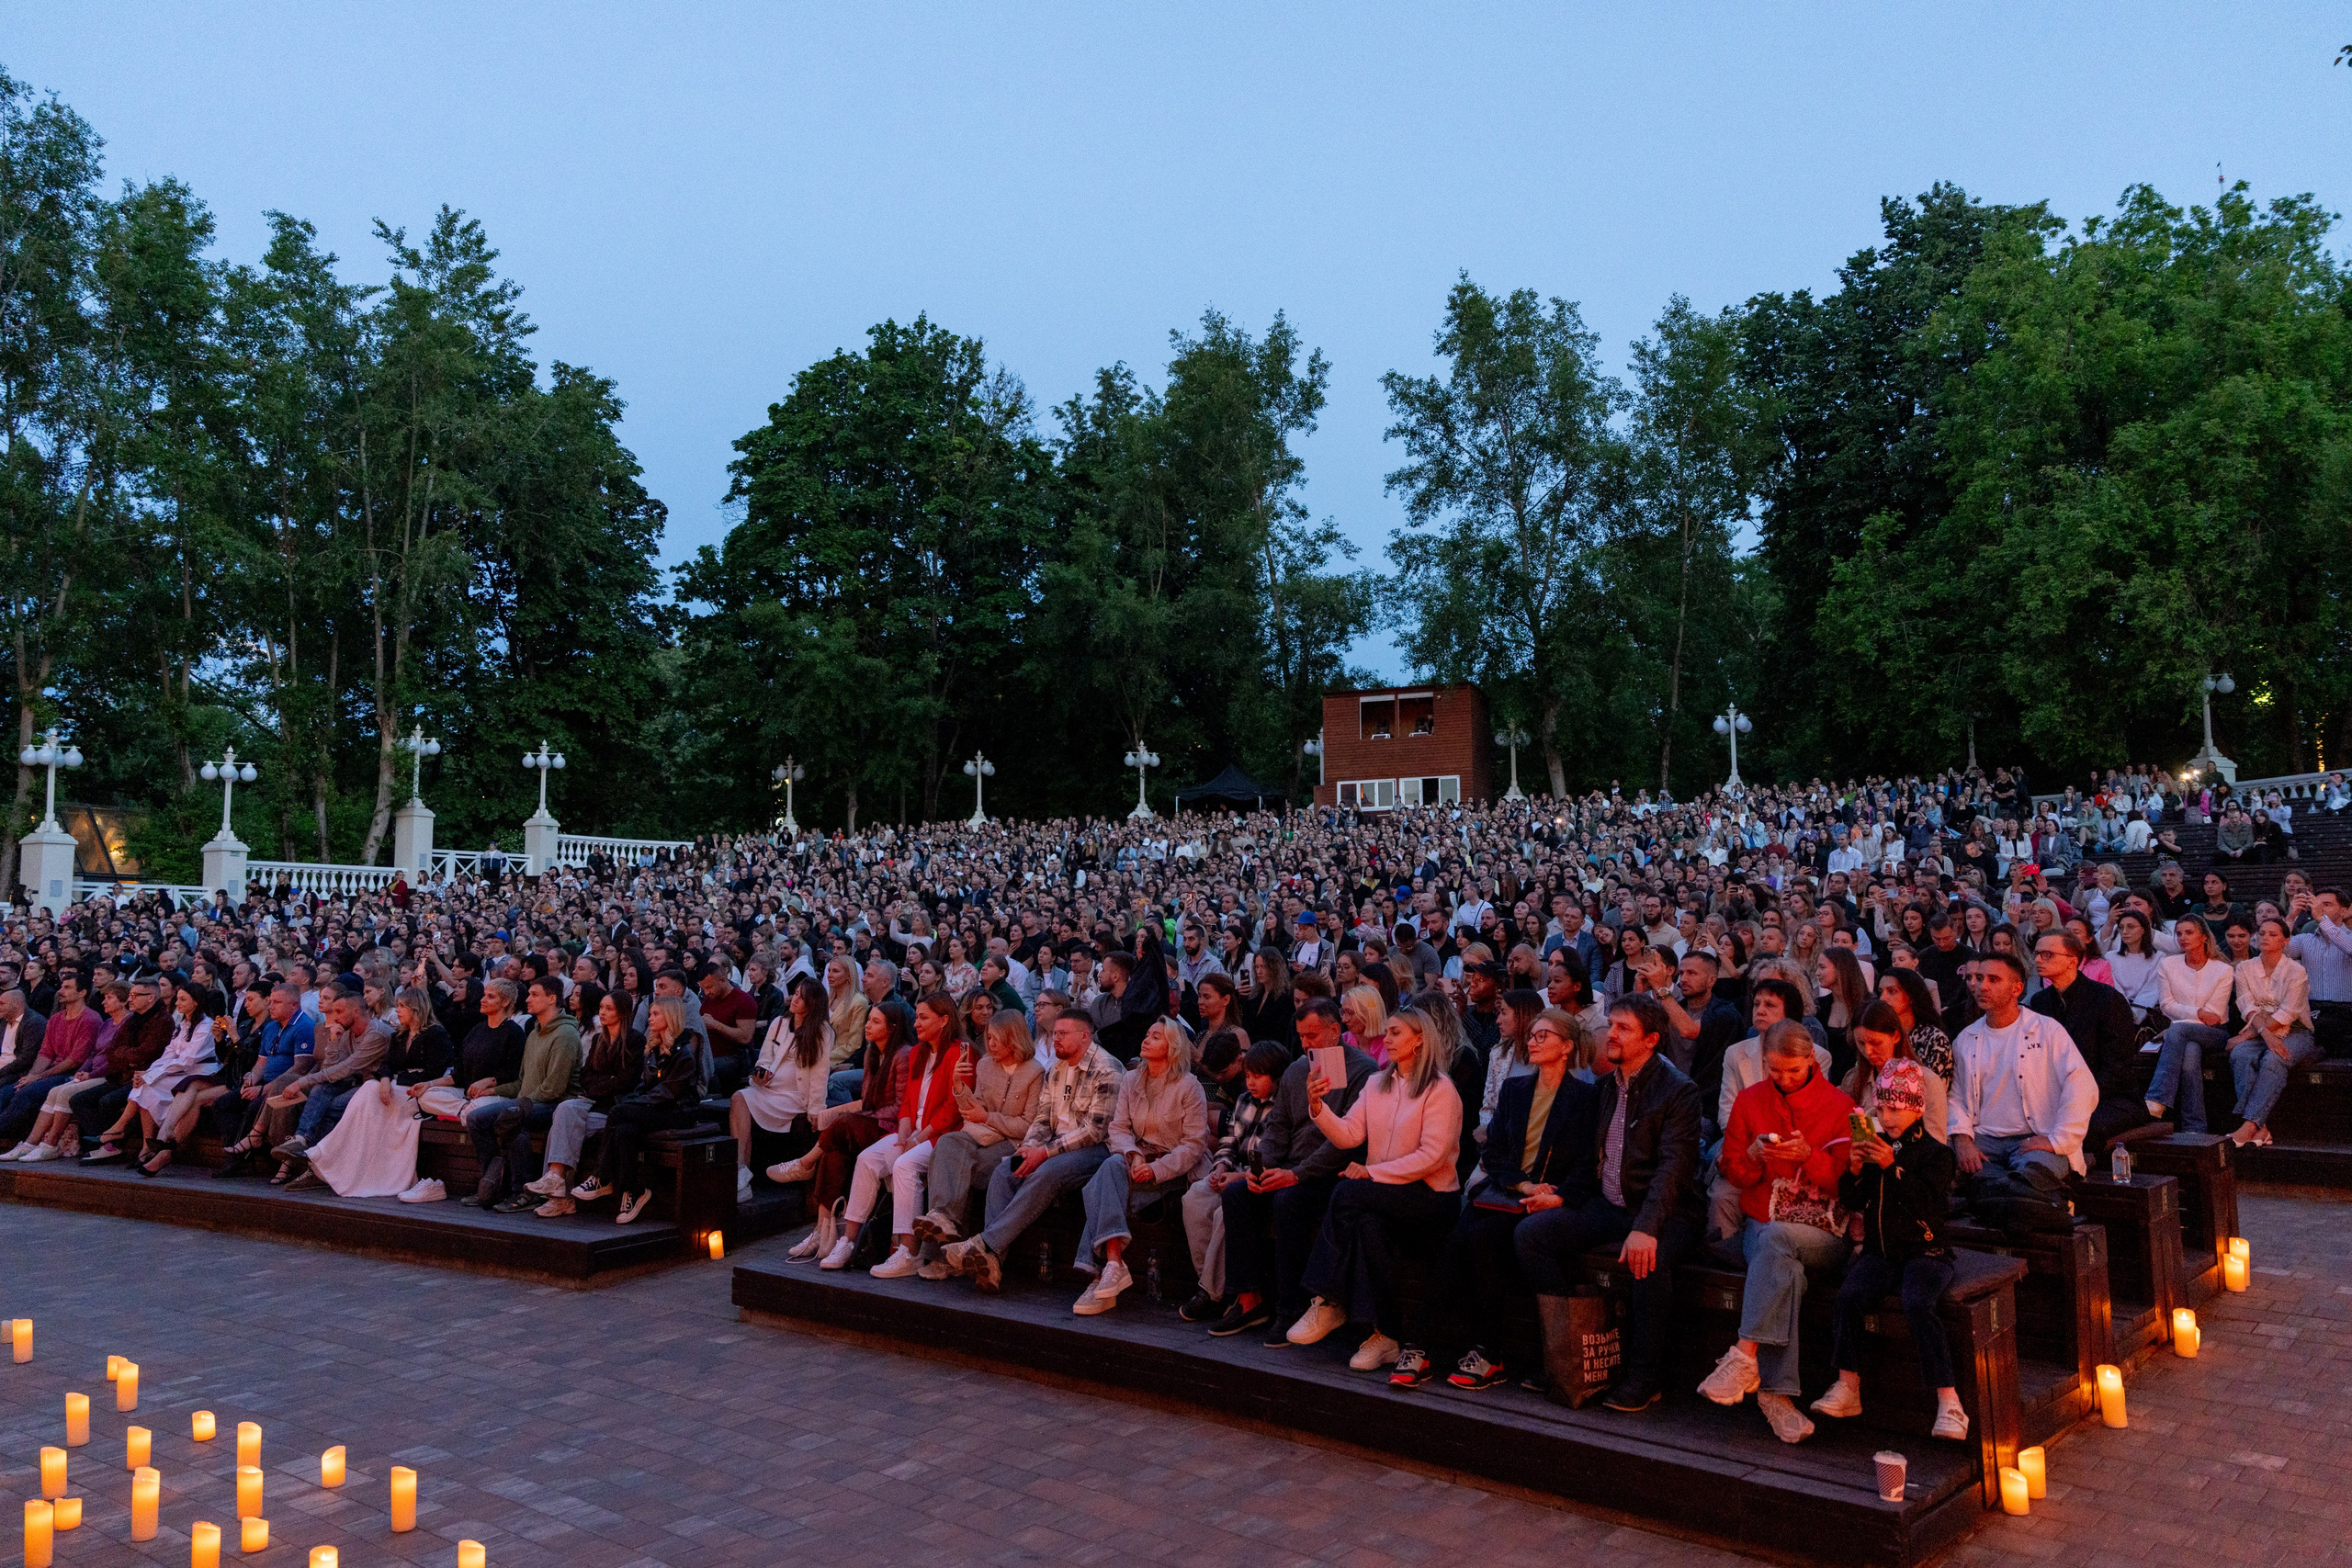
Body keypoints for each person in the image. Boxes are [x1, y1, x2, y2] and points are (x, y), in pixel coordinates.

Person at [1516, 992, 1703, 1413]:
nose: (1611, 1035)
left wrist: (1646, 1228)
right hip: (1609, 1206)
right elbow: (1589, 1161)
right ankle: (1567, 1350)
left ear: (1652, 1040)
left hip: (1667, 1212)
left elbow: (1673, 1170)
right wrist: (1561, 1196)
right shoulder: (1604, 1088)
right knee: (1532, 1235)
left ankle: (1645, 1376)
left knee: (1646, 1260)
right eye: (1611, 1026)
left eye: (1623, 1029)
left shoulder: (1679, 1092)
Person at [1393, 1007, 1598, 1391]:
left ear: (1567, 1047)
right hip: (1508, 1192)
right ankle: (1420, 1346)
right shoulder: (1516, 1089)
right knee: (1460, 1237)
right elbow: (1494, 1153)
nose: (1533, 1042)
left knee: (1480, 1239)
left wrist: (1557, 1195)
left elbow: (1588, 1164)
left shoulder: (1586, 1097)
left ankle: (1486, 1351)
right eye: (1532, 1035)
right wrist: (1522, 1185)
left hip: (1550, 1201)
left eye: (1543, 1036)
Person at [1696, 1020, 1856, 1443]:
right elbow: (1734, 1170)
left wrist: (1811, 1158)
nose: (1784, 1079)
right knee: (1785, 1268)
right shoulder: (1749, 1101)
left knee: (1776, 1240)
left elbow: (1853, 1184)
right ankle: (1775, 1397)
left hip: (1821, 1230)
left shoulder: (1841, 1105)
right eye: (1775, 1070)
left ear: (1812, 1062)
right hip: (1763, 1222)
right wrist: (1750, 1155)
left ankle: (1744, 1354)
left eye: (1793, 1071)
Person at [1283, 1007, 1464, 1373]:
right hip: (1386, 1194)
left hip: (1432, 1196)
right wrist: (1317, 1107)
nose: (1388, 1039)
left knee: (1347, 1193)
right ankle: (1387, 1335)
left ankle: (1328, 1298)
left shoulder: (1441, 1089)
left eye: (1397, 1033)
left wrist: (1372, 1171)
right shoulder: (1376, 1083)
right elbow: (1350, 1134)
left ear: (1420, 1039)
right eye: (1389, 1033)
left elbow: (1432, 1156)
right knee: (1368, 1226)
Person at [1815, 1056, 1969, 1440]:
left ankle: (1949, 1400)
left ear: (1916, 1108)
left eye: (1896, 1106)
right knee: (1848, 1297)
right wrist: (1853, 1170)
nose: (1887, 1115)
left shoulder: (1937, 1154)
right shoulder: (1876, 1146)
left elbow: (1928, 1205)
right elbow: (1853, 1199)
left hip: (1927, 1252)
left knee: (1918, 1303)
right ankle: (1848, 1385)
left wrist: (1892, 1167)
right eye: (1882, 1106)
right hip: (1881, 1252)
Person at [1205, 997, 1375, 1343]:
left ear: (1335, 1031)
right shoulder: (1298, 1069)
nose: (1306, 1043)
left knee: (1288, 1202)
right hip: (1288, 1168)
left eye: (1313, 1035)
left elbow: (1348, 1142)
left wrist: (1296, 1175)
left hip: (1330, 1173)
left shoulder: (1364, 1070)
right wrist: (1259, 1167)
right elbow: (1277, 1127)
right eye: (1301, 1036)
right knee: (1239, 1192)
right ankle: (1249, 1299)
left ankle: (1291, 1307)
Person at [942, 1009, 1123, 1292]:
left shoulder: (1107, 1069)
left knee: (1046, 1171)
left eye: (1063, 1034)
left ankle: (986, 1243)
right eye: (1055, 1034)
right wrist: (1028, 1148)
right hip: (1054, 1145)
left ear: (1084, 1036)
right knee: (1005, 1171)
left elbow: (1094, 1132)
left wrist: (1045, 1153)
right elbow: (1042, 1119)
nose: (1056, 1039)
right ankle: (992, 1265)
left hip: (1096, 1151)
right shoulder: (1057, 1069)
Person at [1070, 1017, 1209, 1314]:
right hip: (1138, 1158)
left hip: (1174, 1167)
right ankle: (1112, 1264)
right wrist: (1133, 1155)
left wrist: (1156, 1169)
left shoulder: (1189, 1086)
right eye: (1147, 1034)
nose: (1146, 1039)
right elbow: (1118, 1128)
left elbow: (1194, 1146)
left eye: (1156, 1037)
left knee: (1101, 1183)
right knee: (1110, 1167)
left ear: (1172, 1047)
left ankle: (1098, 1275)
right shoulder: (1132, 1080)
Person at [825, 991, 968, 1275]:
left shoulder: (960, 1051)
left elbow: (953, 1110)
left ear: (943, 1020)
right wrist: (904, 1135)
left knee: (904, 1165)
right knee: (867, 1159)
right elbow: (906, 1103)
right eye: (916, 1016)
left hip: (943, 1136)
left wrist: (915, 1139)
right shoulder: (917, 1052)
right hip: (913, 1131)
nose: (916, 1023)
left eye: (924, 1017)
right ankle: (847, 1241)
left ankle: (908, 1251)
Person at [910, 1010, 1046, 1278]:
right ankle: (942, 1218)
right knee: (947, 1144)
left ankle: (945, 1257)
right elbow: (975, 1109)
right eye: (988, 1037)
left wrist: (988, 1118)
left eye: (996, 1038)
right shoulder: (985, 1065)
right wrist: (959, 1087)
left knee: (963, 1171)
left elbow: (1028, 1124)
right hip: (979, 1134)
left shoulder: (1035, 1072)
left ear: (1014, 1039)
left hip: (1011, 1142)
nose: (991, 1044)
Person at [776, 998, 910, 1260]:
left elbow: (899, 1107)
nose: (867, 1026)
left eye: (875, 1021)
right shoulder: (873, 1051)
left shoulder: (903, 1055)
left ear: (893, 1027)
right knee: (833, 1152)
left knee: (843, 1124)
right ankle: (821, 1230)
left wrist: (859, 1114)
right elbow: (869, 1099)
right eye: (868, 1020)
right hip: (873, 1121)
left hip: (893, 1129)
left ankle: (804, 1164)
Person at [1948, 952, 2099, 1181]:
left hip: (2034, 1138)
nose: (1982, 986)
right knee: (1947, 1164)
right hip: (1984, 1139)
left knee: (2035, 1174)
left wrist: (2056, 1139)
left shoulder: (2047, 1030)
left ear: (2017, 989)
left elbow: (2081, 1085)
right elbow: (1955, 1096)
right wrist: (1962, 1140)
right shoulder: (1966, 1038)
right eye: (1978, 978)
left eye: (1993, 979)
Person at [1175, 1038, 1285, 1323]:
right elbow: (1229, 1140)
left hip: (1259, 1180)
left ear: (1276, 1076)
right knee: (1195, 1197)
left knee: (1227, 1211)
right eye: (1248, 1075)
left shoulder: (1284, 1104)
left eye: (1258, 1076)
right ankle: (1211, 1285)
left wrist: (1237, 1176)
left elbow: (1274, 1155)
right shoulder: (1244, 1100)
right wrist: (1221, 1165)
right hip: (1233, 1169)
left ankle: (1209, 1294)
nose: (1250, 1082)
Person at [303, 987, 452, 1197]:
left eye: (402, 1006)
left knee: (367, 1093)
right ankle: (328, 1155)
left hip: (421, 1090)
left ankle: (327, 1152)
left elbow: (434, 1070)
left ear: (416, 1009)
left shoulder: (436, 1034)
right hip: (396, 1087)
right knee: (370, 1088)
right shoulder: (400, 1035)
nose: (397, 1010)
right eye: (397, 1006)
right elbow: (388, 1064)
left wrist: (394, 1079)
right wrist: (384, 1079)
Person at [524, 987, 644, 1217]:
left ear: (622, 1012)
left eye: (609, 1008)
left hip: (615, 1108)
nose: (604, 1013)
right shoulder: (599, 1038)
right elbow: (586, 1076)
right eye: (601, 1008)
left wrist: (602, 1084)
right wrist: (604, 1083)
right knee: (565, 1110)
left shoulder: (635, 1040)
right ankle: (555, 1179)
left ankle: (560, 1197)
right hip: (593, 1101)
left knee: (563, 1128)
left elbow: (625, 1082)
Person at [2027, 930, 2147, 1156]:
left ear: (2072, 960)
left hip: (2112, 1098)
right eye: (2036, 954)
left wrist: (2077, 1100)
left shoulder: (2107, 999)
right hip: (2058, 1097)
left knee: (2077, 1128)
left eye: (2047, 954)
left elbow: (2117, 1066)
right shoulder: (2040, 1001)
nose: (2038, 960)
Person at [587, 995, 705, 1224]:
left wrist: (631, 1104)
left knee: (618, 1112)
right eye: (650, 1013)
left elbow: (669, 1092)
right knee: (624, 1131)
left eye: (656, 1014)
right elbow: (645, 1085)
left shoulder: (684, 1052)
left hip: (678, 1113)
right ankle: (632, 1191)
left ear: (670, 1017)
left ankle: (601, 1176)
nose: (649, 1018)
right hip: (656, 1108)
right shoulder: (654, 1047)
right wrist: (633, 1099)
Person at [475, 975, 583, 1210]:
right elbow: (522, 1082)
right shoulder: (534, 1034)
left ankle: (522, 1191)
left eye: (535, 994)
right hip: (530, 1102)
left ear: (552, 999)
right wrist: (494, 1090)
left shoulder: (565, 1034)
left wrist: (519, 1103)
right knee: (477, 1117)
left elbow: (554, 1088)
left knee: (513, 1118)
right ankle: (491, 1185)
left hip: (556, 1105)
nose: (528, 998)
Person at [729, 974, 831, 1193]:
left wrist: (816, 1108)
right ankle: (741, 1170)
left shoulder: (822, 1032)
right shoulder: (779, 1023)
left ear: (812, 1003)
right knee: (739, 1097)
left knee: (742, 1099)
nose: (794, 999)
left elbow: (820, 1073)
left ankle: (743, 1172)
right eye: (795, 994)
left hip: (794, 1096)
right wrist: (759, 1075)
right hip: (768, 1089)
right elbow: (764, 1058)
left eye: (801, 997)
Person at [2226, 917, 2317, 1148]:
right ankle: (2261, 1128)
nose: (2266, 938)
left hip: (2296, 1031)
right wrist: (2264, 1035)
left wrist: (2250, 1035)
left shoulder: (2296, 971)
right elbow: (2246, 1005)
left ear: (2285, 941)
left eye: (2273, 934)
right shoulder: (2244, 968)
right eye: (2263, 933)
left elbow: (2289, 1011)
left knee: (2273, 1058)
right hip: (2258, 1030)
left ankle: (2249, 1125)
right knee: (2241, 1055)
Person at [2145, 916, 2231, 1134]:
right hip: (2181, 1035)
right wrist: (2197, 1013)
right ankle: (2195, 1127)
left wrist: (2184, 1020)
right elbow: (2166, 1005)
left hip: (2214, 1033)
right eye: (2179, 933)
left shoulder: (2223, 969)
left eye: (2189, 932)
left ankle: (2157, 1097)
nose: (2183, 938)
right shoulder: (2168, 964)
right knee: (2190, 1053)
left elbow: (2215, 1016)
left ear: (2203, 936)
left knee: (2178, 1029)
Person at [1838, 999, 1947, 1144]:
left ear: (1896, 1036)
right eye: (1861, 1043)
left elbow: (1936, 1146)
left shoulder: (1928, 1081)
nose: (1868, 1051)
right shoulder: (1853, 1080)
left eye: (1875, 1043)